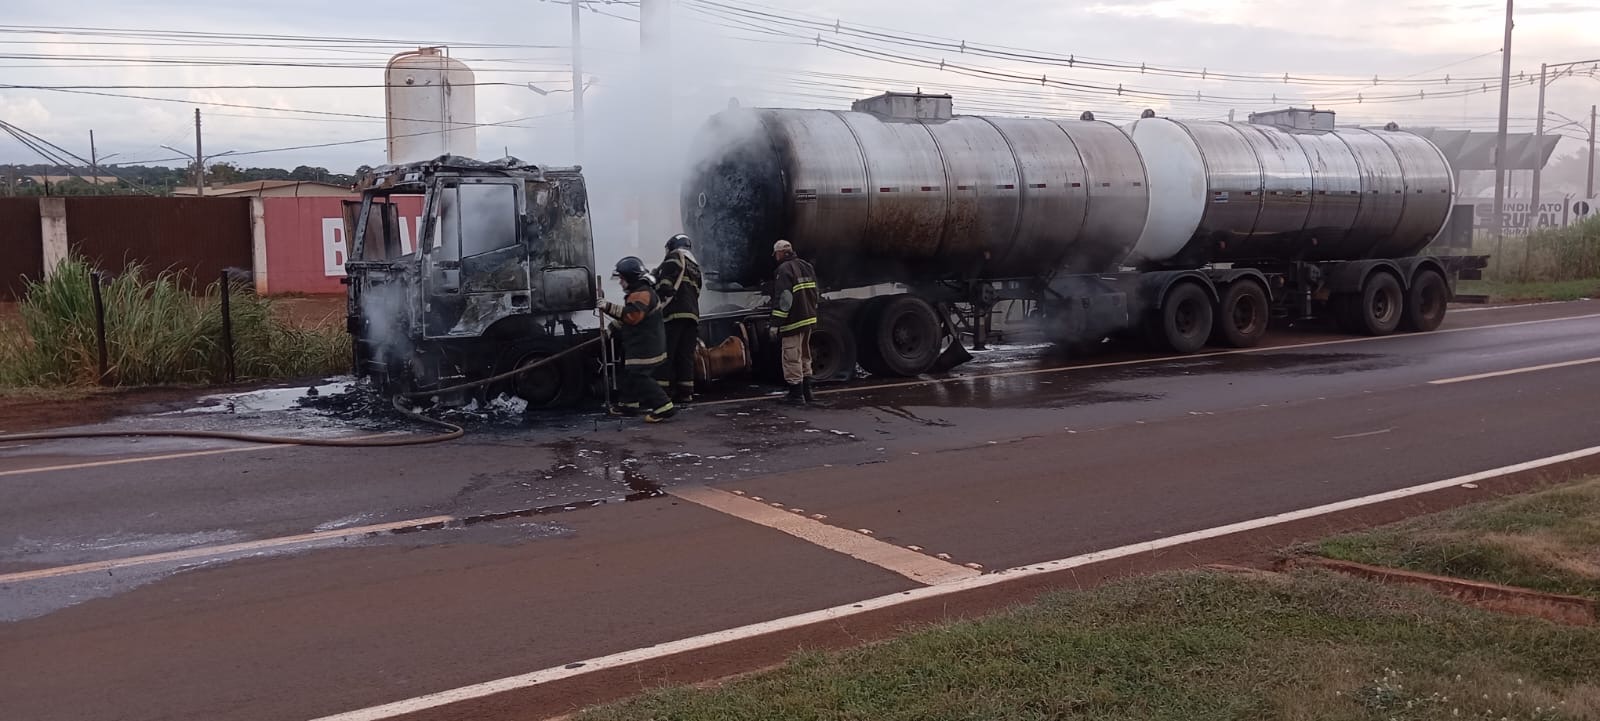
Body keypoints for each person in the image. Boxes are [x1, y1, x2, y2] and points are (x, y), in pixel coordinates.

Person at [599, 256, 676, 423]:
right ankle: (629, 404)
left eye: (622, 278)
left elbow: (632, 316)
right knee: (629, 372)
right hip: (643, 343)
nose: (620, 282)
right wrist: (612, 328)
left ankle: (664, 406)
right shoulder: (640, 291)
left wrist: (607, 306)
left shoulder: (642, 293)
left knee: (639, 375)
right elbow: (630, 317)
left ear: (630, 278)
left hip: (646, 345)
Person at [770, 239, 820, 405]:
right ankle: (808, 392)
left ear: (781, 253)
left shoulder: (784, 270)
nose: (775, 257)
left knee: (791, 357)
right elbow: (816, 292)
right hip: (808, 319)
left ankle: (796, 395)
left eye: (776, 254)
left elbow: (784, 299)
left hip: (793, 322)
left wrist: (776, 324)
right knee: (805, 355)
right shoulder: (806, 266)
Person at [654, 233, 702, 404]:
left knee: (666, 354)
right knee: (685, 356)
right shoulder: (695, 266)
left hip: (674, 314)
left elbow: (665, 283)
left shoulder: (675, 256)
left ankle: (663, 394)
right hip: (692, 316)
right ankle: (686, 393)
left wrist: (658, 288)